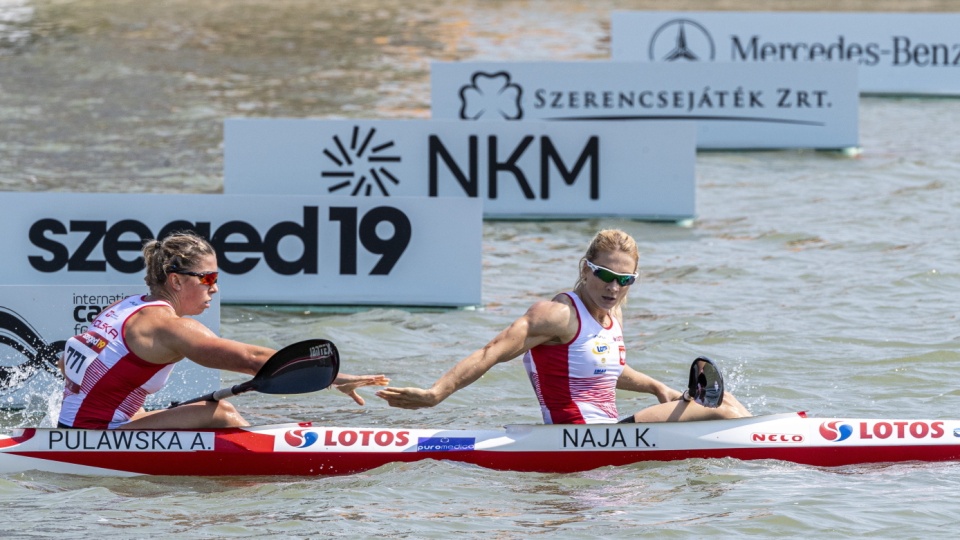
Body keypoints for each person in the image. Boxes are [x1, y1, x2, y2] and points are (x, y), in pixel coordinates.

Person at [377, 229, 750, 424]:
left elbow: (605, 369)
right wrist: (435, 394)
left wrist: (657, 388)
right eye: (605, 275)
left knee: (727, 400)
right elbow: (492, 351)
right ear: (586, 269)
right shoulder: (557, 315)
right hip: (576, 437)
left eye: (625, 280)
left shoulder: (612, 314)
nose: (613, 287)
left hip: (609, 434)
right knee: (722, 410)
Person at [57, 231, 388, 430]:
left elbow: (68, 365)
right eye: (209, 278)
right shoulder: (169, 326)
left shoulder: (123, 307)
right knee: (222, 412)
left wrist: (129, 411)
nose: (215, 289)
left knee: (173, 410)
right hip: (97, 438)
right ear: (176, 280)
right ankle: (262, 478)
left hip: (71, 431)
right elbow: (251, 359)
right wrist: (336, 378)